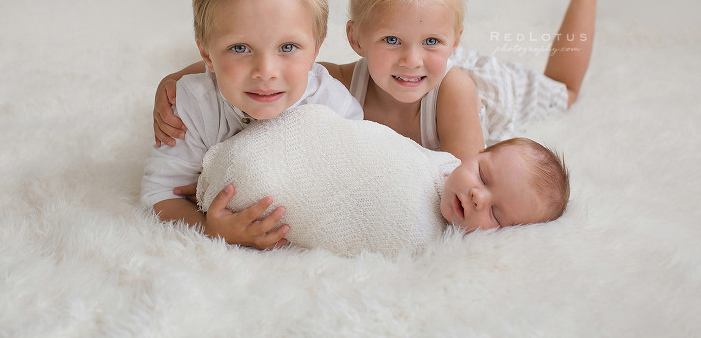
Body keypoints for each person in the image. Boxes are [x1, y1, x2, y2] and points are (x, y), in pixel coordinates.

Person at [154, 0, 601, 180]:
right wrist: (172, 83)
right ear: (355, 39)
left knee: (565, 90)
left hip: (483, 88)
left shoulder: (456, 92)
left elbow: (461, 178)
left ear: (455, 41)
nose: (410, 60)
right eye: (391, 41)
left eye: (429, 40)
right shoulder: (341, 81)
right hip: (435, 63)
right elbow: (242, 69)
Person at [140, 0, 363, 250]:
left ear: (316, 49)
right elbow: (158, 195)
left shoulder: (333, 106)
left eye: (288, 47)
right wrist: (210, 229)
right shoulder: (193, 106)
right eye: (240, 48)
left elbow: (356, 179)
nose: (265, 70)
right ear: (206, 54)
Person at [196, 104, 569, 257]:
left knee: (258, 178)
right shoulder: (438, 160)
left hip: (259, 185)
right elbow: (365, 145)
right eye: (483, 175)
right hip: (287, 139)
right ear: (476, 154)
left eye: (497, 215)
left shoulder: (430, 247)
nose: (476, 197)